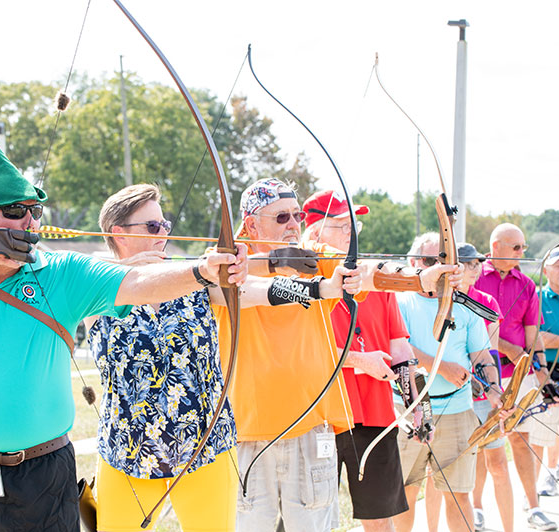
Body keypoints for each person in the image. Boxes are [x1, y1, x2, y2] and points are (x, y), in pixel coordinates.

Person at [0, 138, 249, 532]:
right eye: (14, 211)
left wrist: (202, 271)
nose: (28, 222)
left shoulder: (63, 272)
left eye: (34, 211)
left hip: (42, 475)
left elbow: (138, 281)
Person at [85, 184, 360, 532]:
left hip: (204, 450)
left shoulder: (192, 278)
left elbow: (256, 292)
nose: (164, 234)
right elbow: (95, 266)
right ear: (117, 233)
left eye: (165, 225)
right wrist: (153, 268)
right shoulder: (97, 284)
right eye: (152, 227)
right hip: (128, 451)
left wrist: (321, 288)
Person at [209, 179, 460, 532]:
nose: (294, 225)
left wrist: (421, 277)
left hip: (310, 427)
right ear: (250, 224)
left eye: (297, 216)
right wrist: (319, 287)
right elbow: (252, 288)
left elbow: (368, 271)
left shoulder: (314, 258)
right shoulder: (225, 265)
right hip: (246, 431)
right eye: (282, 218)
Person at [302, 190, 412, 532]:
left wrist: (416, 404)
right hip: (320, 417)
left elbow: (400, 349)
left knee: (380, 517)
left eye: (354, 226)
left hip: (376, 414)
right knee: (310, 518)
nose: (350, 234)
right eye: (339, 225)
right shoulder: (302, 281)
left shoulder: (373, 279)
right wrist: (360, 361)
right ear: (314, 232)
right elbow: (302, 353)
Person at [392, 233, 499, 532]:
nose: (438, 268)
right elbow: (397, 347)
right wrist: (441, 368)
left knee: (458, 495)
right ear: (413, 263)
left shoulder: (464, 305)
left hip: (457, 411)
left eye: (444, 261)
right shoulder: (399, 302)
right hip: (409, 407)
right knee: (405, 494)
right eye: (430, 261)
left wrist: (494, 392)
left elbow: (481, 355)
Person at [421, 243, 511, 532]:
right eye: (468, 263)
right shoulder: (435, 297)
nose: (474, 269)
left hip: (481, 392)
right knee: (435, 474)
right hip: (442, 394)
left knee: (494, 461)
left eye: (476, 264)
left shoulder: (484, 301)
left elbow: (489, 352)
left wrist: (492, 388)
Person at [474, 223, 558, 531]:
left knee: (521, 441)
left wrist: (541, 373)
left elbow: (532, 335)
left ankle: (534, 507)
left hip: (518, 376)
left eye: (523, 247)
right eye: (516, 247)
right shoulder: (474, 276)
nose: (522, 253)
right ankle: (477, 507)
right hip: (483, 378)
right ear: (495, 247)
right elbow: (478, 326)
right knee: (486, 443)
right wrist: (509, 348)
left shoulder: (526, 284)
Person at [536, 248, 559, 497]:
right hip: (549, 370)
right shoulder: (538, 298)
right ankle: (549, 473)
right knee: (549, 426)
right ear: (546, 270)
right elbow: (536, 337)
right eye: (558, 265)